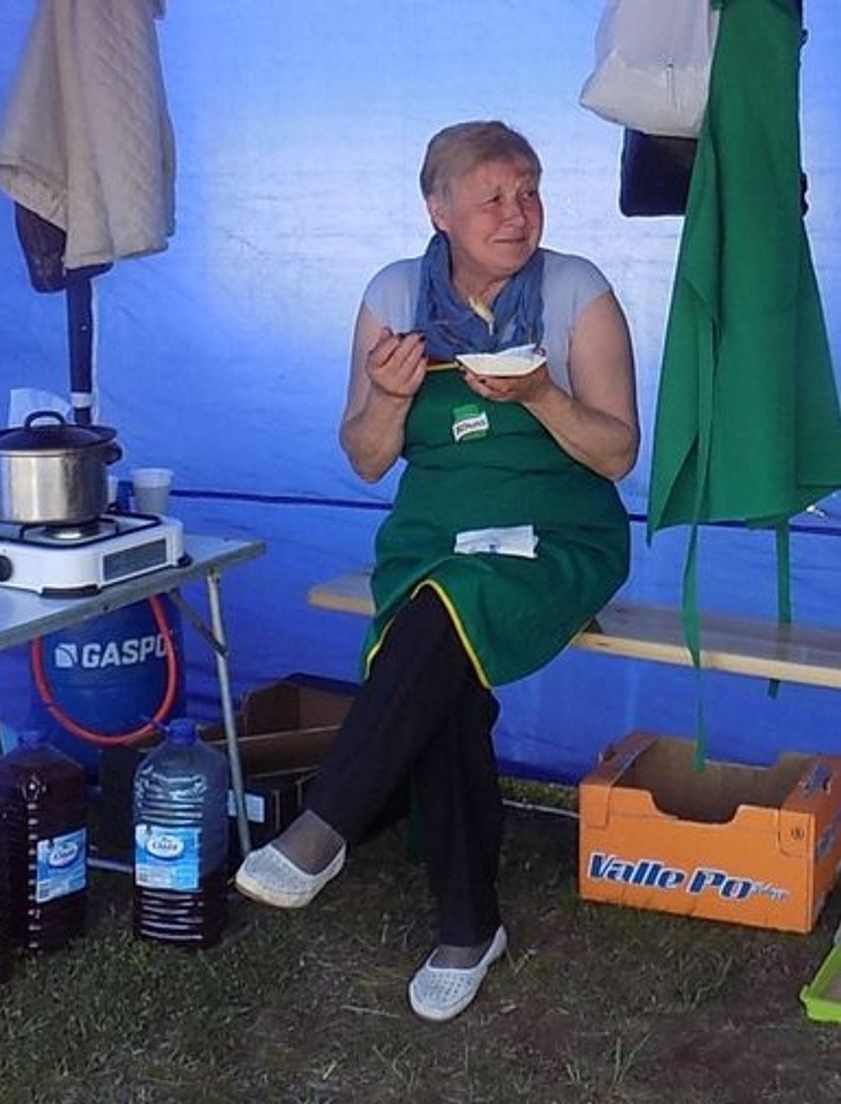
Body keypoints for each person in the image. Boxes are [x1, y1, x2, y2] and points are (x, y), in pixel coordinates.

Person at [234, 120, 638, 1022]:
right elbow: (367, 459)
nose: (517, 213)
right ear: (438, 210)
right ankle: (468, 928)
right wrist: (389, 395)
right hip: (433, 535)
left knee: (442, 612)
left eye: (528, 192)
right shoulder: (393, 296)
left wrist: (541, 392)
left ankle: (328, 822)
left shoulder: (577, 291)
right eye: (492, 197)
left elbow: (616, 455)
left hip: (557, 535)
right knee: (440, 647)